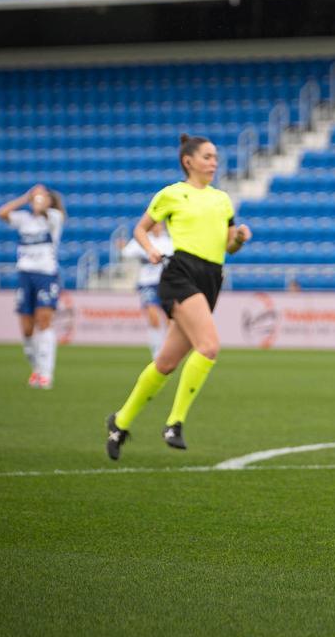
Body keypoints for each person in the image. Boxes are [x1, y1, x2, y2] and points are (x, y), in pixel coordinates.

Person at [106, 134, 252, 460]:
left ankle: (120, 422)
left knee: (166, 362)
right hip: (180, 274)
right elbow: (140, 229)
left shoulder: (222, 200)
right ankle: (175, 423)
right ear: (189, 161)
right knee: (209, 346)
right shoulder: (172, 194)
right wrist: (151, 250)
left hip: (212, 279)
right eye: (207, 156)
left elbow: (229, 246)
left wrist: (240, 237)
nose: (214, 162)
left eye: (215, 157)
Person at [0, 184, 66, 389]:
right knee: (26, 328)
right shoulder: (23, 219)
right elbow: (1, 212)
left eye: (43, 197)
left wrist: (41, 202)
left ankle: (46, 372)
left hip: (46, 275)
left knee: (44, 320)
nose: (39, 200)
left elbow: (46, 210)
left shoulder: (54, 217)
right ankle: (36, 368)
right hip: (25, 275)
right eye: (37, 198)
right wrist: (25, 198)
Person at [120, 220, 175, 359]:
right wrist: (122, 247)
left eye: (160, 225)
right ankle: (157, 352)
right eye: (155, 225)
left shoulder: (169, 241)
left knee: (169, 320)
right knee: (153, 316)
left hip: (165, 283)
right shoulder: (143, 240)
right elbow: (126, 252)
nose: (157, 227)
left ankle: (168, 351)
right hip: (147, 282)